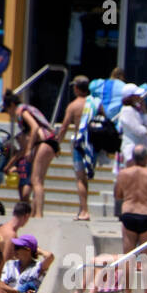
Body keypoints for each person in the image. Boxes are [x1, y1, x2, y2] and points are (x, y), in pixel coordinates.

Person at [51, 76, 96, 221]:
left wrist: (57, 144)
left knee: (80, 179)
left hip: (79, 144)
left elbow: (64, 127)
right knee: (85, 179)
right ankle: (82, 208)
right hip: (92, 144)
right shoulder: (94, 103)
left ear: (77, 88)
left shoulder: (73, 106)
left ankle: (84, 211)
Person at [115, 84, 147, 175]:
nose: (139, 97)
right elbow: (138, 130)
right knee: (131, 175)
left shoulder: (135, 110)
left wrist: (143, 109)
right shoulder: (127, 110)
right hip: (131, 149)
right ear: (130, 97)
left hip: (138, 148)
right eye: (136, 95)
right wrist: (146, 130)